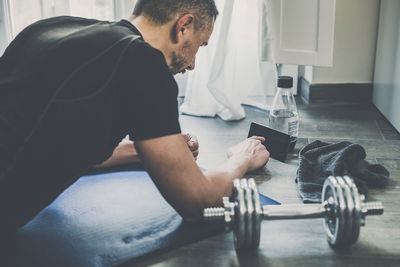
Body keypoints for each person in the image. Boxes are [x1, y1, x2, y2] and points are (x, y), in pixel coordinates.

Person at [0, 0, 270, 264]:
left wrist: (144, 152)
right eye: (200, 45)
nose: (192, 65)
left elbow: (49, 143)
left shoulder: (50, 28)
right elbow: (198, 205)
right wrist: (242, 157)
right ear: (184, 26)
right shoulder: (142, 63)